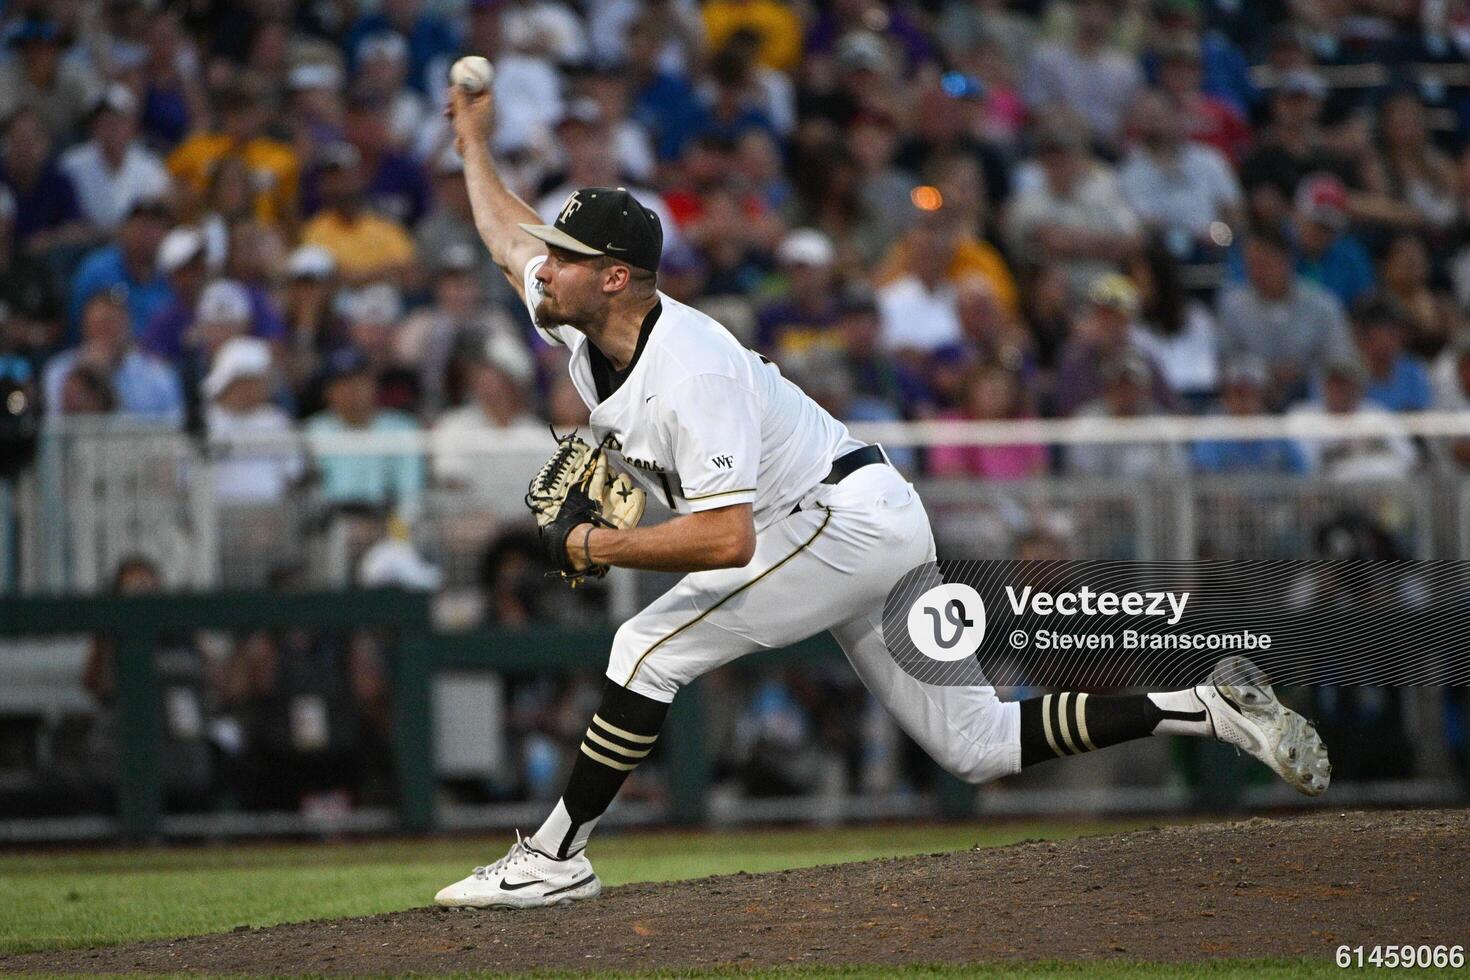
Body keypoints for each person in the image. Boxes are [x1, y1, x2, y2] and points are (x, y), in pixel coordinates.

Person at [431, 79, 1331, 910]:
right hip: (870, 517)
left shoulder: (689, 372)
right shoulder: (580, 316)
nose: (543, 269)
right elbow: (505, 231)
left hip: (835, 526)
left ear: (616, 276)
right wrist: (474, 138)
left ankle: (555, 857)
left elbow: (728, 540)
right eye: (552, 256)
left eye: (566, 259)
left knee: (644, 645)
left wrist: (595, 548)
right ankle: (1205, 706)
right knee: (973, 745)